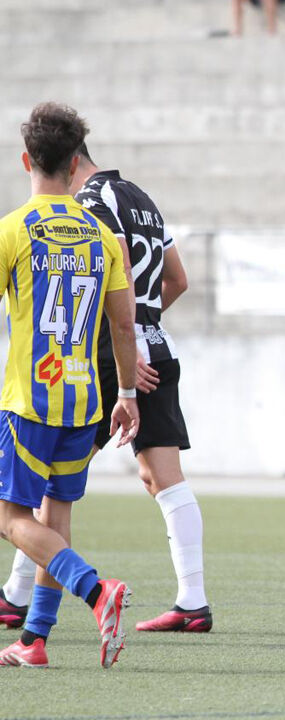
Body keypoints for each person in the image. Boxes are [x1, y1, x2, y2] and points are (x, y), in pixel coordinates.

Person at [0, 103, 139, 669]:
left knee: (10, 518)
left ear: (27, 159)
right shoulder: (104, 235)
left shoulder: (12, 229)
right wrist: (127, 394)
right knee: (55, 518)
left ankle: (94, 588)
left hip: (29, 401)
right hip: (85, 402)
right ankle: (34, 641)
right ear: (76, 160)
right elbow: (124, 324)